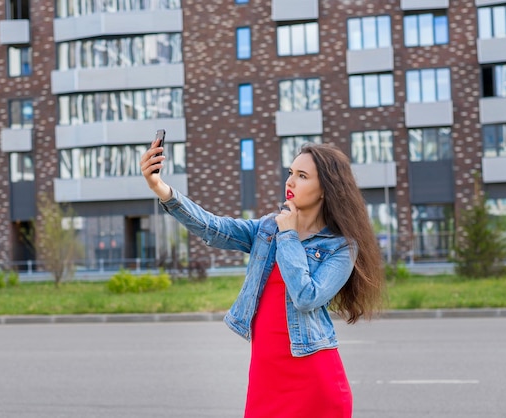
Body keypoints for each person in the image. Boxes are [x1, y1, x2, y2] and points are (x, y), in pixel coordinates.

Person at [141, 139, 385, 418]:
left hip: (315, 379)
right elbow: (214, 228)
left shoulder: (341, 246)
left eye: (302, 176)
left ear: (325, 191)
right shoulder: (268, 228)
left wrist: (289, 235)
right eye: (291, 172)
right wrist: (160, 188)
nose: (290, 182)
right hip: (266, 375)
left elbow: (306, 297)